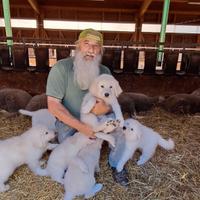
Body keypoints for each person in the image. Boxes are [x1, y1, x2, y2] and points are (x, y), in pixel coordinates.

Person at [46, 28, 128, 186]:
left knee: (119, 128)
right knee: (71, 147)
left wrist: (103, 109)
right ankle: (71, 169)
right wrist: (82, 127)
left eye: (96, 46)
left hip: (96, 118)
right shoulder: (61, 69)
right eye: (86, 43)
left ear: (100, 51)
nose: (91, 49)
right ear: (78, 46)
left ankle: (117, 165)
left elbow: (109, 104)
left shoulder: (104, 71)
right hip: (69, 121)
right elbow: (53, 106)